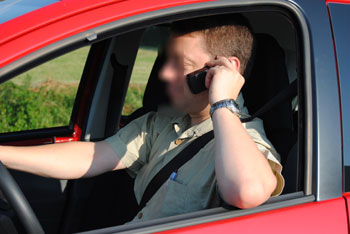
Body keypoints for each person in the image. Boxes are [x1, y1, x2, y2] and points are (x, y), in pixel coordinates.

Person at [0, 14, 284, 223]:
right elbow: (95, 155)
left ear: (221, 70)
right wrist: (4, 155)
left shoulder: (245, 143)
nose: (164, 74)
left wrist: (222, 101)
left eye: (179, 65)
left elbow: (247, 191)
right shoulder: (163, 122)